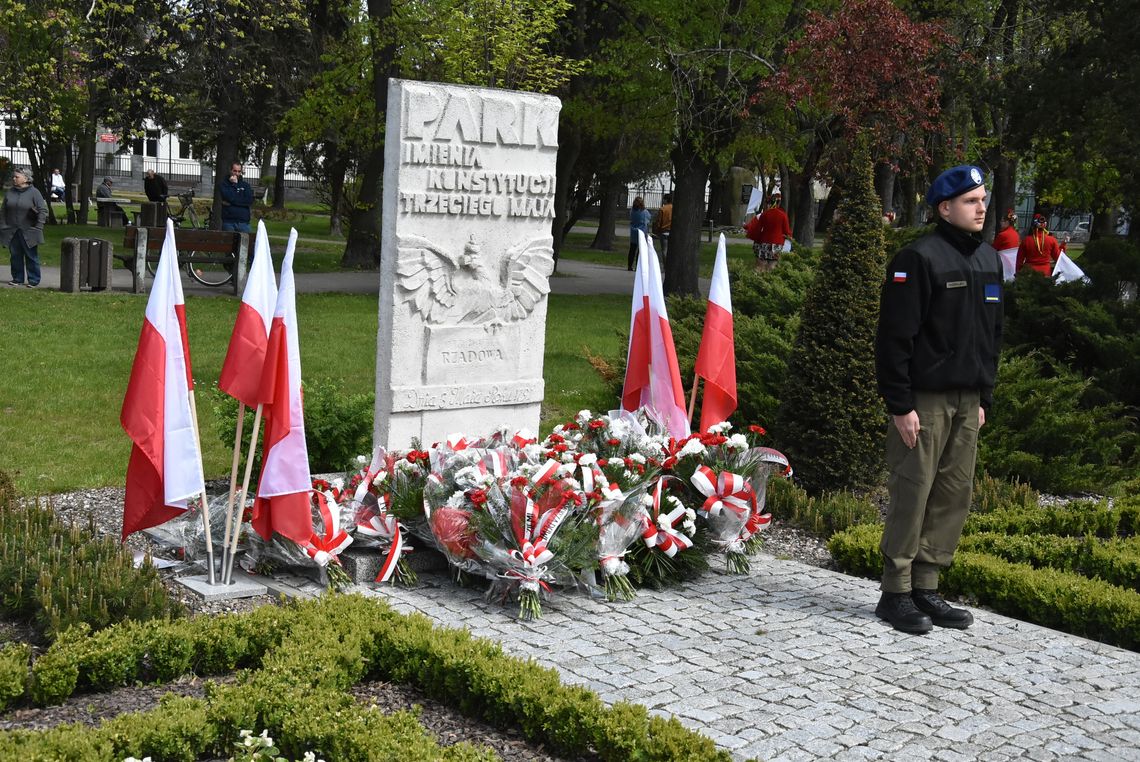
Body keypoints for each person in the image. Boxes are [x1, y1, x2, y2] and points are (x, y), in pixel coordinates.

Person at [874, 165, 1003, 635]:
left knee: (953, 494)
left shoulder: (988, 260)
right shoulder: (918, 258)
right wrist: (899, 404)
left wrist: (984, 396)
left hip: (969, 400)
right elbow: (894, 338)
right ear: (944, 208)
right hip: (923, 401)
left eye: (983, 199)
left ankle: (927, 586)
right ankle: (896, 592)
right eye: (971, 201)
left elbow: (993, 335)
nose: (981, 208)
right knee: (914, 492)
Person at [1, 168, 49, 287]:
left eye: (16, 177)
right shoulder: (10, 192)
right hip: (12, 230)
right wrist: (3, 226)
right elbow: (3, 211)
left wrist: (39, 227)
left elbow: (42, 210)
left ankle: (33, 280)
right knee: (15, 255)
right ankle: (17, 278)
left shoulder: (34, 192)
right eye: (13, 177)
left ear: (26, 179)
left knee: (31, 256)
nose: (14, 179)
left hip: (29, 230)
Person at [744, 190, 792, 272]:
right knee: (772, 265)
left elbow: (758, 229)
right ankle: (769, 281)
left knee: (760, 265)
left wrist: (756, 239)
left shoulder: (764, 214)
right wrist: (790, 238)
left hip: (764, 242)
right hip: (777, 244)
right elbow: (786, 231)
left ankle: (757, 280)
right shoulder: (783, 215)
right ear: (778, 203)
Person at [218, 162, 253, 233]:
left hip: (244, 223)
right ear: (230, 171)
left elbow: (249, 201)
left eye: (239, 171)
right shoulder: (224, 185)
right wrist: (234, 184)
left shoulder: (246, 186)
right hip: (229, 222)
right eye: (235, 171)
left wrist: (232, 202)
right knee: (229, 243)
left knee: (245, 243)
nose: (237, 173)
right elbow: (229, 197)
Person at [992, 208, 1020, 282]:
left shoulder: (1003, 235)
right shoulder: (1016, 234)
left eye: (1002, 221)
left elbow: (994, 248)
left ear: (1007, 222)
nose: (1000, 223)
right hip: (1013, 263)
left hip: (1003, 263)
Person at [627, 196, 651, 271]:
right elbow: (648, 219)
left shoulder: (632, 211)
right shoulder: (644, 212)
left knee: (632, 249)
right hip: (642, 232)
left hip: (634, 232)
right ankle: (638, 266)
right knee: (640, 251)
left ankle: (630, 266)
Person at [651, 193, 672, 261]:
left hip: (664, 231)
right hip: (672, 231)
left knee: (664, 250)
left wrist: (657, 230)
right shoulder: (674, 208)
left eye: (663, 199)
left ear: (666, 200)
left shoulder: (662, 209)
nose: (662, 201)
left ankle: (665, 266)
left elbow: (659, 221)